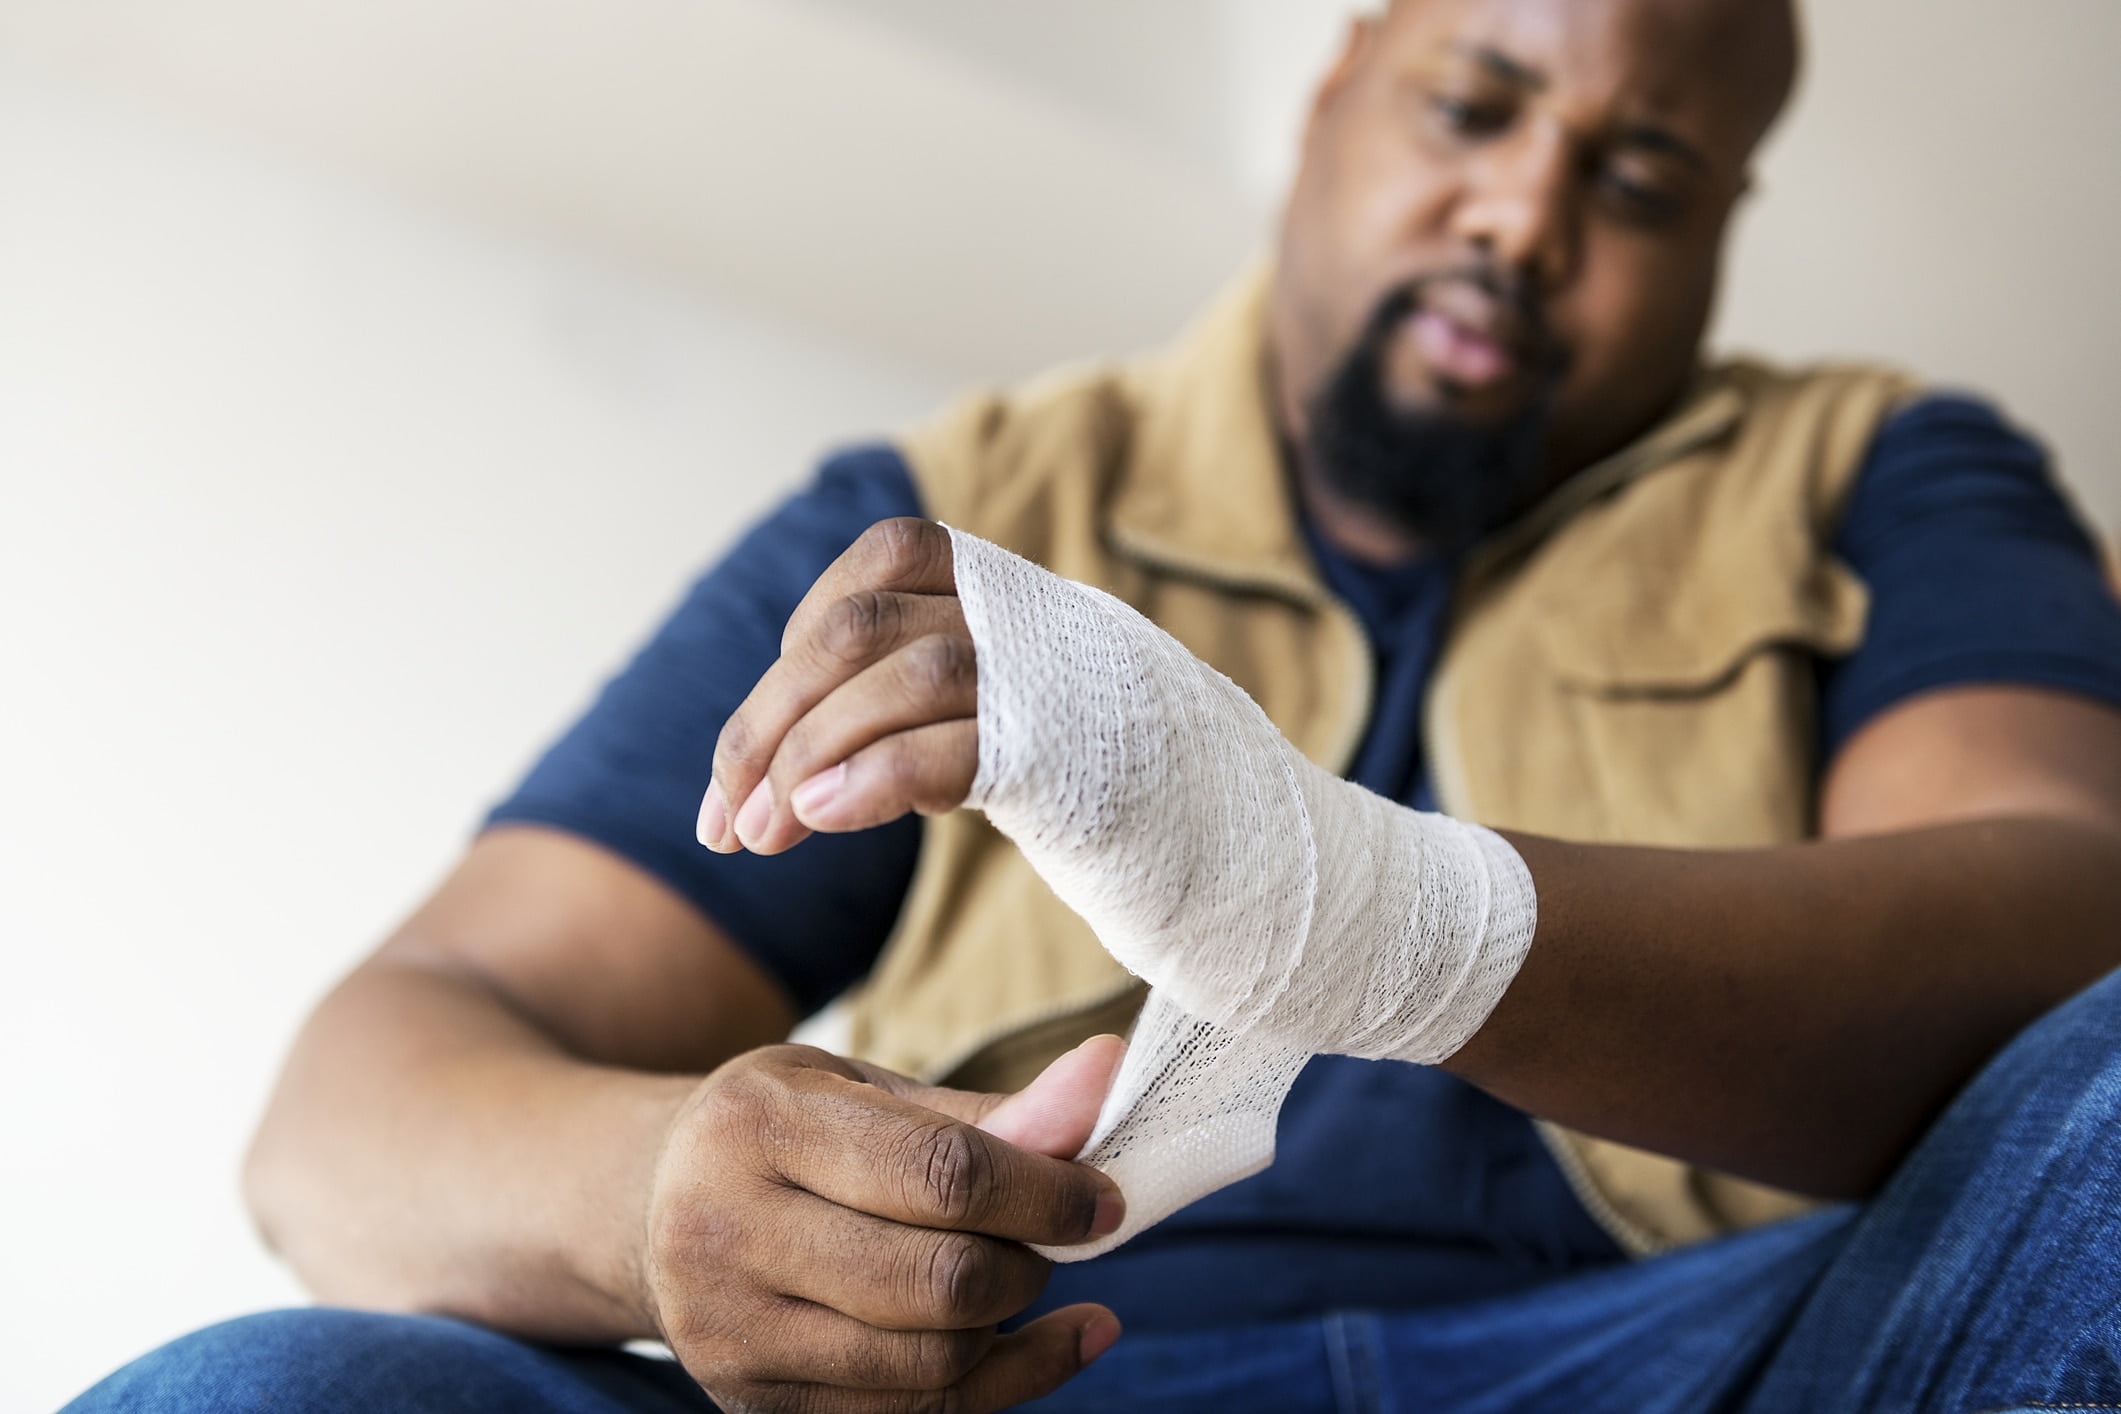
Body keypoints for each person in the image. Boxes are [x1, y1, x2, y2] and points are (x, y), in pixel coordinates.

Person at [65, 0, 2121, 1410]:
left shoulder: (1883, 473)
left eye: (1642, 177)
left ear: (1720, 236)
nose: (1524, 215)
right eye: (1472, 107)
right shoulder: (941, 518)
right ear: (1330, 98)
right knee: (270, 1386)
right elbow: (356, 1106)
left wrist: (1352, 905)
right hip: (1029, 1354)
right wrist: (661, 1205)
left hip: (1710, 1348)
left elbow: (2058, 921)